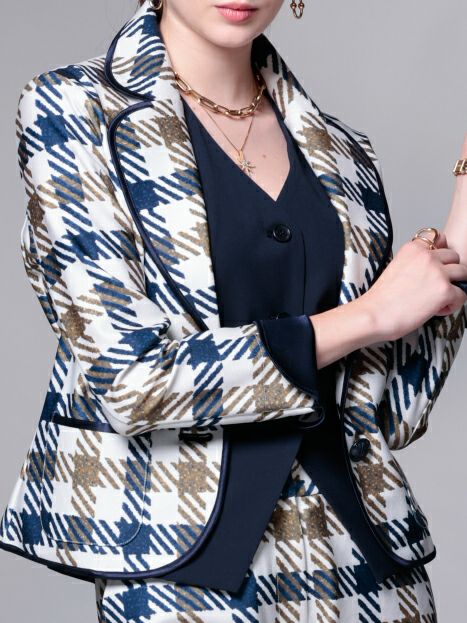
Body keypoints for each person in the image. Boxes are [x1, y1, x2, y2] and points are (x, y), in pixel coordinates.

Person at [1, 0, 467, 620]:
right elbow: (132, 382)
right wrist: (370, 315)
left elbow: (387, 412)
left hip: (369, 570)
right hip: (183, 566)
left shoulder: (344, 153)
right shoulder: (72, 109)